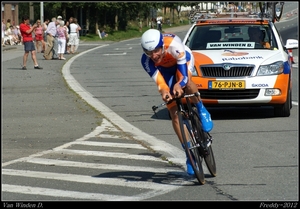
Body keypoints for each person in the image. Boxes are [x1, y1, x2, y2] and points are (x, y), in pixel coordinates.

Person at [140, 29, 213, 175]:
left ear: (163, 46)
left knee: (187, 84)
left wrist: (179, 85)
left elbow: (184, 77)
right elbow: (160, 83)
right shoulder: (146, 60)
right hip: (164, 71)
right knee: (173, 112)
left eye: (156, 50)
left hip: (182, 61)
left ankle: (201, 108)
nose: (154, 55)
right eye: (149, 52)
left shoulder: (174, 45)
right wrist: (165, 92)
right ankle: (189, 154)